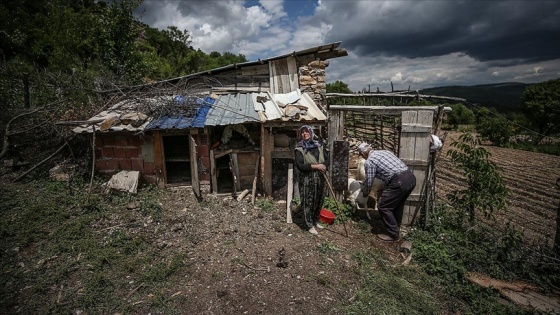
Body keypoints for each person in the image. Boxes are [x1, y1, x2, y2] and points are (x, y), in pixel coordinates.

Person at [357, 142, 416, 242]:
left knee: (383, 206)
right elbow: (389, 171)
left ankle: (393, 235)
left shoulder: (370, 161)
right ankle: (396, 228)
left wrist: (365, 193)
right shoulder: (384, 152)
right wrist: (384, 189)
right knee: (397, 205)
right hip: (410, 178)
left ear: (363, 154)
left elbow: (369, 181)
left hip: (399, 181)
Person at [294, 125, 328, 235]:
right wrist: (316, 166)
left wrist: (324, 166)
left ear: (311, 133)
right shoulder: (299, 148)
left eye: (306, 132)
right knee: (308, 201)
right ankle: (308, 224)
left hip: (320, 177)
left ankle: (315, 220)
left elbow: (327, 159)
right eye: (302, 132)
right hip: (307, 178)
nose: (304, 134)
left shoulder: (319, 145)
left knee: (319, 199)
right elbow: (300, 165)